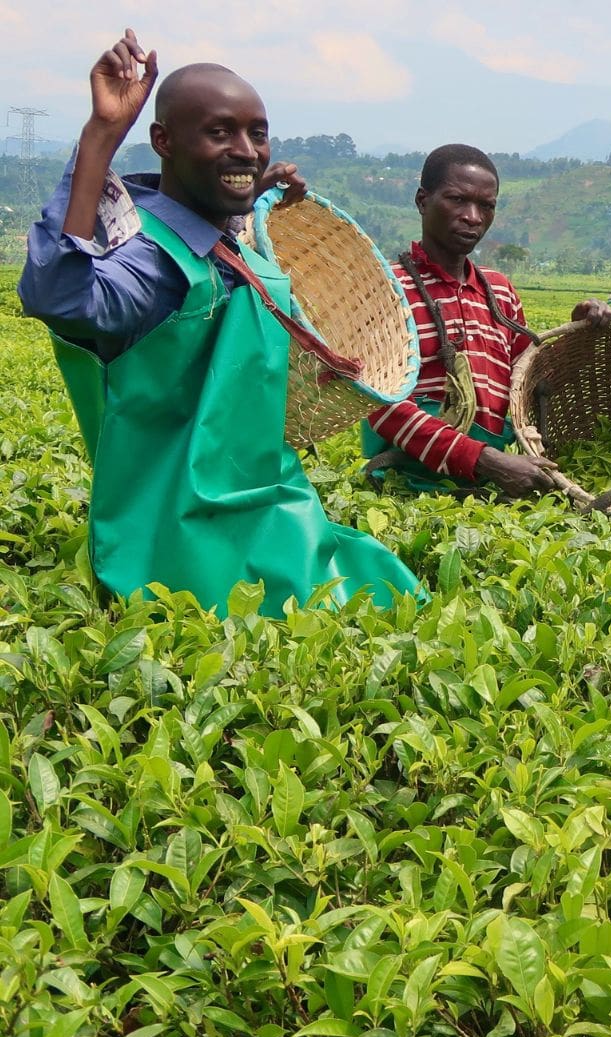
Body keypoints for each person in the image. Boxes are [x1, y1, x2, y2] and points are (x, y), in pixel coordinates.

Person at [17, 29, 421, 617]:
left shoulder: (219, 238)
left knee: (385, 585)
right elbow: (62, 294)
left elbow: (218, 268)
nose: (246, 148)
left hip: (266, 496)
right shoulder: (150, 261)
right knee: (325, 609)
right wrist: (102, 132)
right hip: (180, 529)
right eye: (219, 132)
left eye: (256, 133)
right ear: (163, 141)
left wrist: (254, 194)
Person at [362, 144, 611, 495]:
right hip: (406, 482)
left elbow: (529, 387)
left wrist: (578, 336)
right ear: (423, 200)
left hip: (495, 483)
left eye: (487, 206)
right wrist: (484, 459)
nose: (473, 216)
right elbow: (381, 406)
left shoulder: (500, 292)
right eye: (457, 200)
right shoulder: (386, 290)